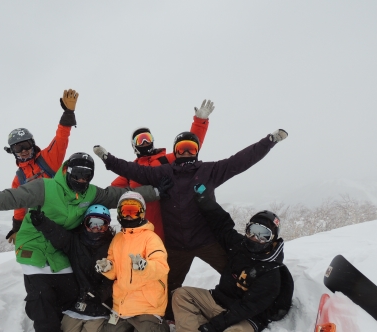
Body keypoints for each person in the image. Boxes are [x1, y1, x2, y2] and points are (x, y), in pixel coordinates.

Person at [0, 153, 170, 332]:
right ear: (67, 170)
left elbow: (118, 196)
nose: (82, 179)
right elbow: (11, 197)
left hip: (61, 244)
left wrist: (155, 192)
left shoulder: (90, 193)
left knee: (70, 290)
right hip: (35, 244)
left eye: (87, 175)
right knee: (42, 292)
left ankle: (54, 316)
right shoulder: (44, 188)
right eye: (78, 173)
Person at [93, 128, 289, 321]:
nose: (186, 152)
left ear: (197, 151)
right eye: (182, 148)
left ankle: (257, 304)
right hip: (176, 245)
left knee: (234, 272)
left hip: (206, 241)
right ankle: (165, 318)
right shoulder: (164, 173)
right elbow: (133, 170)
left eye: (191, 148)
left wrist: (269, 141)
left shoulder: (209, 171)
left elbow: (240, 161)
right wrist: (108, 159)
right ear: (175, 151)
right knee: (166, 284)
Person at [165, 186, 294, 332]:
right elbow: (222, 224)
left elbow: (245, 309)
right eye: (253, 231)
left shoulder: (271, 274)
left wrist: (212, 328)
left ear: (272, 240)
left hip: (247, 318)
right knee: (181, 294)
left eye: (264, 235)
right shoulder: (239, 246)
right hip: (219, 301)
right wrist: (204, 200)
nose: (256, 238)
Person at [110, 99, 215, 241]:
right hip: (141, 229)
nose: (145, 142)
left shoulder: (165, 161)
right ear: (134, 145)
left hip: (170, 227)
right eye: (140, 140)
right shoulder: (131, 171)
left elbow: (189, 148)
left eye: (147, 138)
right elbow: (111, 193)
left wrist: (199, 122)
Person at [95, 192, 170, 332]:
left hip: (147, 306)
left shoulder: (151, 238)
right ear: (119, 213)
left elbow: (161, 267)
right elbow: (114, 269)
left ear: (141, 213)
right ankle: (137, 331)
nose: (129, 216)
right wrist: (107, 267)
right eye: (125, 211)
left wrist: (145, 266)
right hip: (123, 305)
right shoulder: (118, 239)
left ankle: (159, 328)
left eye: (133, 211)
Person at [30, 204, 115, 332]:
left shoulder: (112, 245)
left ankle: (98, 325)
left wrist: (101, 294)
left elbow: (114, 277)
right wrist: (42, 222)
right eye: (92, 223)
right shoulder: (75, 241)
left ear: (107, 226)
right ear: (85, 223)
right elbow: (57, 234)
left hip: (98, 303)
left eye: (102, 224)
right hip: (77, 301)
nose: (96, 228)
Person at [5, 89, 79, 244]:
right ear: (13, 152)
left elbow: (61, 138)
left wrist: (68, 113)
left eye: (26, 145)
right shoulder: (19, 178)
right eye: (18, 148)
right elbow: (19, 204)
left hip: (67, 214)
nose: (23, 150)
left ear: (32, 144)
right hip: (44, 223)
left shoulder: (48, 158)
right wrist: (17, 227)